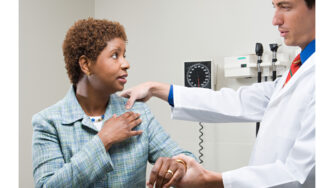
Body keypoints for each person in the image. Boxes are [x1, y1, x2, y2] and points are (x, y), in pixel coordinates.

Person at [121, 0, 315, 187]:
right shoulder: (300, 69)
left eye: (285, 7)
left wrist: (209, 180)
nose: (275, 20)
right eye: (274, 7)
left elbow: (299, 175)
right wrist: (155, 88)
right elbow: (235, 102)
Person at [32, 18, 195, 187]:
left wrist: (179, 165)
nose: (126, 64)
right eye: (115, 55)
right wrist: (103, 140)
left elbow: (185, 159)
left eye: (124, 55)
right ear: (86, 64)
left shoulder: (138, 112)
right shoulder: (48, 122)